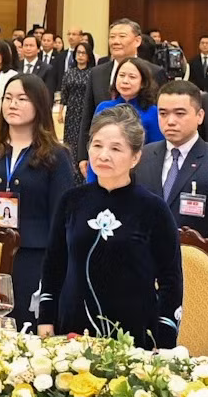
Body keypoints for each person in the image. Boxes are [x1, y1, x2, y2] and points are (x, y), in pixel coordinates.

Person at [37, 107, 183, 348]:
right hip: (72, 331)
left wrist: (164, 340)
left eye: (115, 148)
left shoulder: (153, 208)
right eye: (97, 145)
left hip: (134, 336)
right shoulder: (72, 201)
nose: (103, 155)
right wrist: (46, 318)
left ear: (135, 157)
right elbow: (54, 264)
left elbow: (171, 280)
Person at [0, 72, 80, 325]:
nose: (12, 104)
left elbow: (61, 218)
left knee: (24, 325)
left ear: (39, 105)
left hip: (34, 255)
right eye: (7, 98)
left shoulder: (56, 155)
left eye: (21, 98)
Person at [134, 78, 208, 259]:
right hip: (146, 265)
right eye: (163, 114)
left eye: (180, 114)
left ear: (200, 116)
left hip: (197, 269)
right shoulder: (143, 156)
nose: (170, 121)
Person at [91, 55, 162, 148]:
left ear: (143, 83)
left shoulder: (152, 112)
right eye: (121, 75)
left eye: (132, 77)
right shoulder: (104, 107)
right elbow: (94, 143)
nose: (125, 81)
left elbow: (156, 150)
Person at [60, 39, 95, 161]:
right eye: (78, 53)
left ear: (89, 56)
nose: (80, 56)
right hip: (71, 111)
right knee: (69, 141)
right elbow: (64, 93)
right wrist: (60, 113)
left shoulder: (92, 73)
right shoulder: (69, 73)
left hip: (86, 110)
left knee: (82, 139)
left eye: (83, 53)